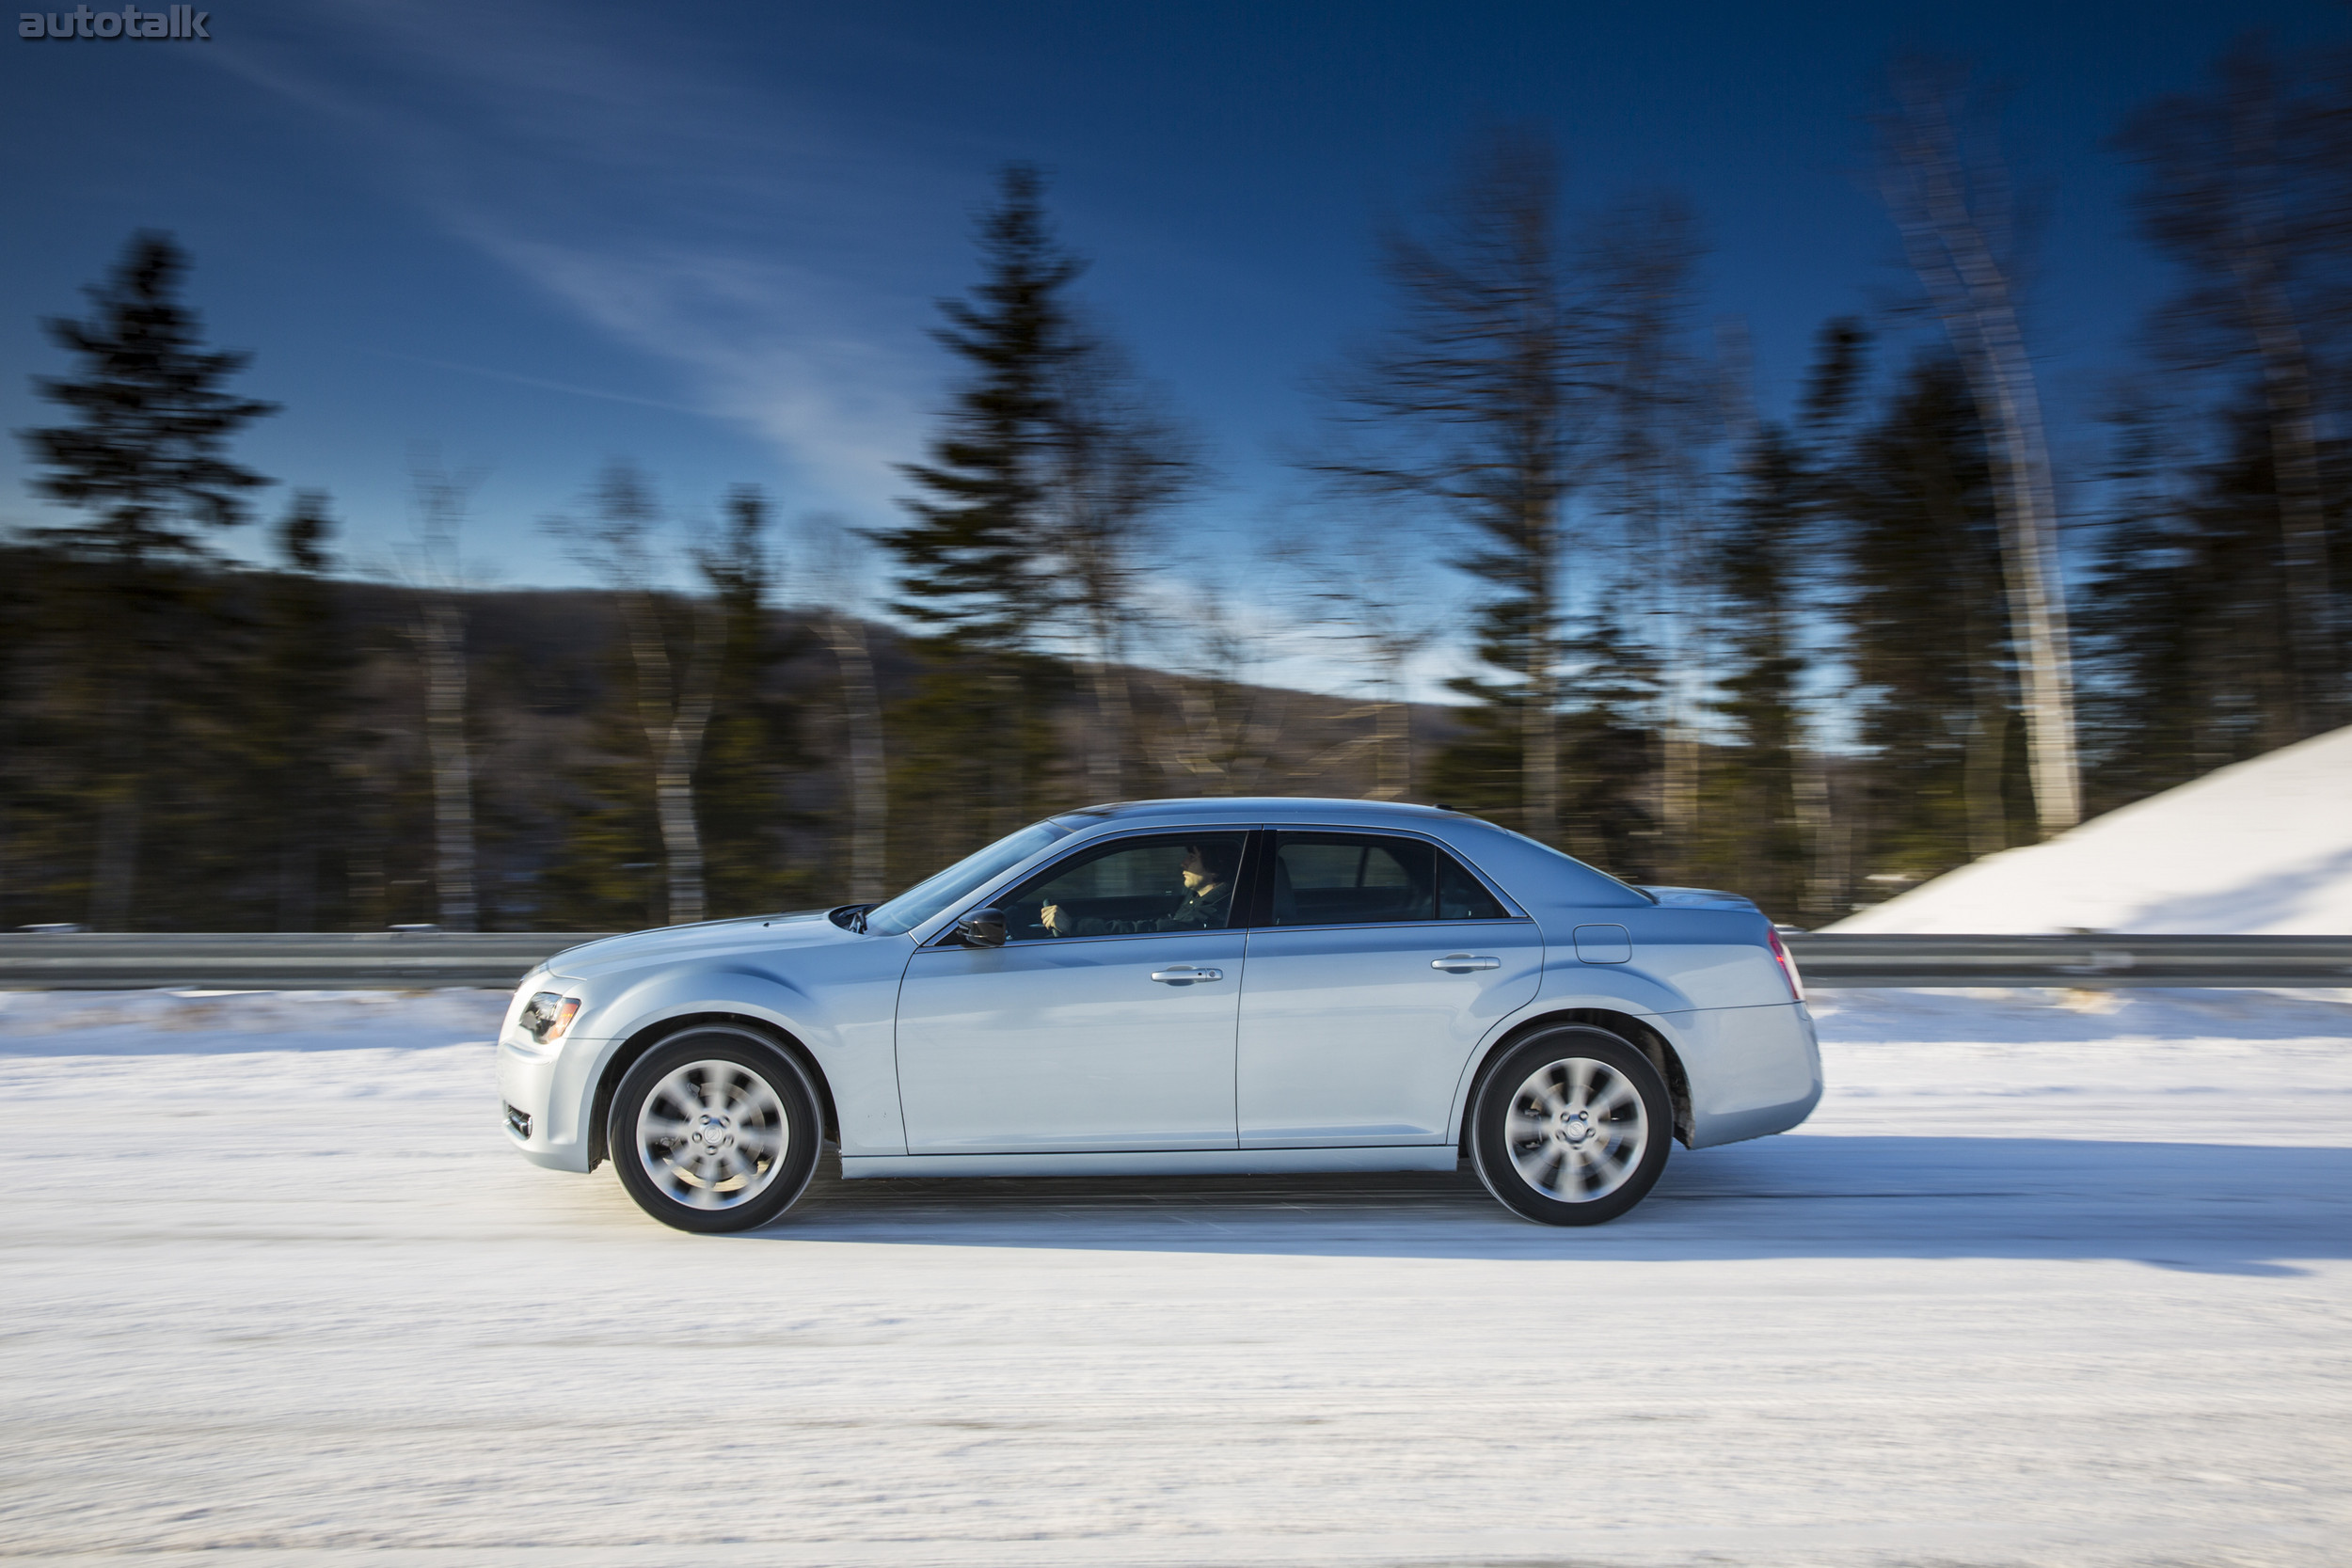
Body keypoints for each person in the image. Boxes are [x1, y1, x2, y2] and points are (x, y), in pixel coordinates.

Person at [1041, 842, 1236, 936]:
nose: (1183, 863)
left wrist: (1075, 926)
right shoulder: (1196, 898)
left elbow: (1155, 930)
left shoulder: (1214, 913)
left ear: (1215, 866)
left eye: (1192, 858)